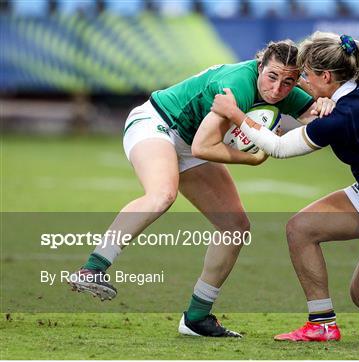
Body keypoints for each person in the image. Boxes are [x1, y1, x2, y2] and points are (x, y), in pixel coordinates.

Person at [69, 40, 334, 338]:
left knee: (235, 226)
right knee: (162, 194)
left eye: (288, 82)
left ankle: (197, 317)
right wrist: (253, 158)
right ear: (259, 66)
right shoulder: (236, 86)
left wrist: (325, 105)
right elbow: (203, 146)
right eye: (272, 77)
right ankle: (92, 269)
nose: (277, 89)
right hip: (157, 123)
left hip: (191, 142)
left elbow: (322, 121)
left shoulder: (284, 90)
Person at [211, 31, 359, 342]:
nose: (301, 82)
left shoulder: (346, 115)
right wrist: (325, 98)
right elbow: (338, 111)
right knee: (300, 228)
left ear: (325, 75)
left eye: (306, 75)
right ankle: (321, 323)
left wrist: (235, 114)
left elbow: (280, 148)